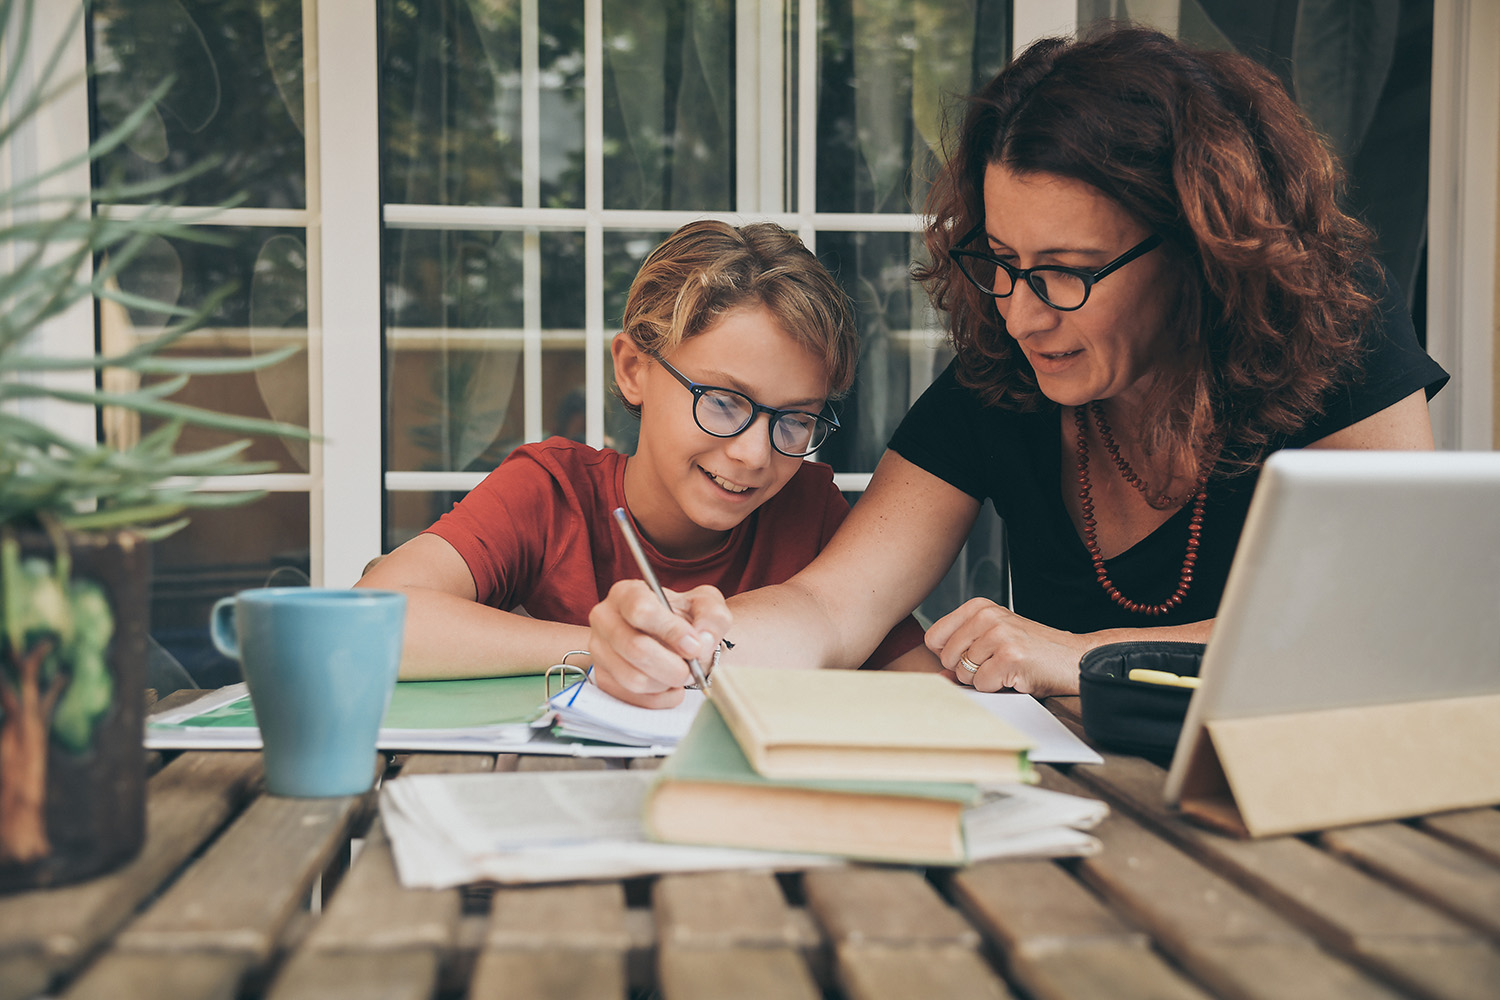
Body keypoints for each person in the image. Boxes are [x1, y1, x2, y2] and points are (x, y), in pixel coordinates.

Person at [585, 26, 1449, 708]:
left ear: (1196, 249)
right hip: (1081, 812)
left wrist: (1080, 655)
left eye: (1066, 272)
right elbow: (831, 607)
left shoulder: (1338, 336)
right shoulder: (1001, 377)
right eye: (1000, 261)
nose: (1020, 313)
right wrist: (696, 642)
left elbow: (1378, 627)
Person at [357, 220, 933, 677]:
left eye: (796, 420)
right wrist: (605, 647)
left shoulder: (809, 512)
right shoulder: (551, 494)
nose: (755, 455)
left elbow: (920, 684)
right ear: (634, 369)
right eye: (724, 402)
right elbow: (367, 620)